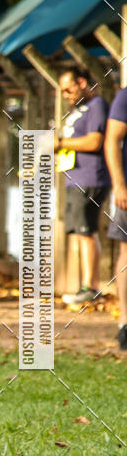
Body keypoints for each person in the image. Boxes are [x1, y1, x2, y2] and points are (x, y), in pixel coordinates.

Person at [55, 67, 110, 305]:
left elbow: (95, 140)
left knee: (87, 232)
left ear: (81, 81)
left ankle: (91, 286)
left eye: (69, 89)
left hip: (90, 178)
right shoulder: (76, 110)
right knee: (79, 231)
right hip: (74, 178)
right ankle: (84, 285)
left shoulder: (97, 106)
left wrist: (60, 143)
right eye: (63, 92)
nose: (66, 94)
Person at [103, 85, 127, 349]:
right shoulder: (125, 96)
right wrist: (119, 184)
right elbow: (112, 139)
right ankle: (125, 323)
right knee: (126, 252)